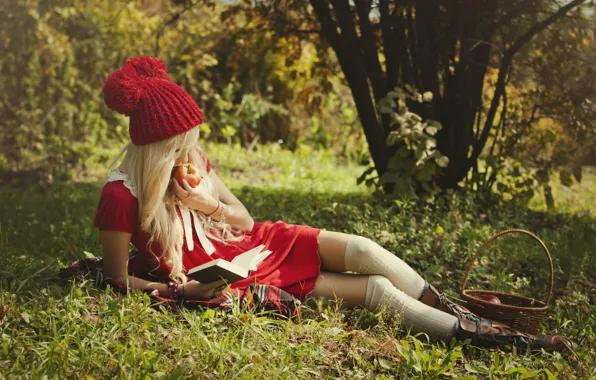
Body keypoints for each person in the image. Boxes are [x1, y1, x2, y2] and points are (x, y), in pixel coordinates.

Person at [95, 56, 569, 352]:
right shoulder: (122, 195)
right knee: (378, 292)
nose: (191, 149)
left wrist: (207, 203)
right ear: (158, 147)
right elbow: (117, 278)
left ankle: (467, 318)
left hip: (253, 242)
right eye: (181, 142)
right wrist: (181, 293)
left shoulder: (193, 161)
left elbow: (244, 219)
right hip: (227, 273)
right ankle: (496, 339)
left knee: (363, 249)